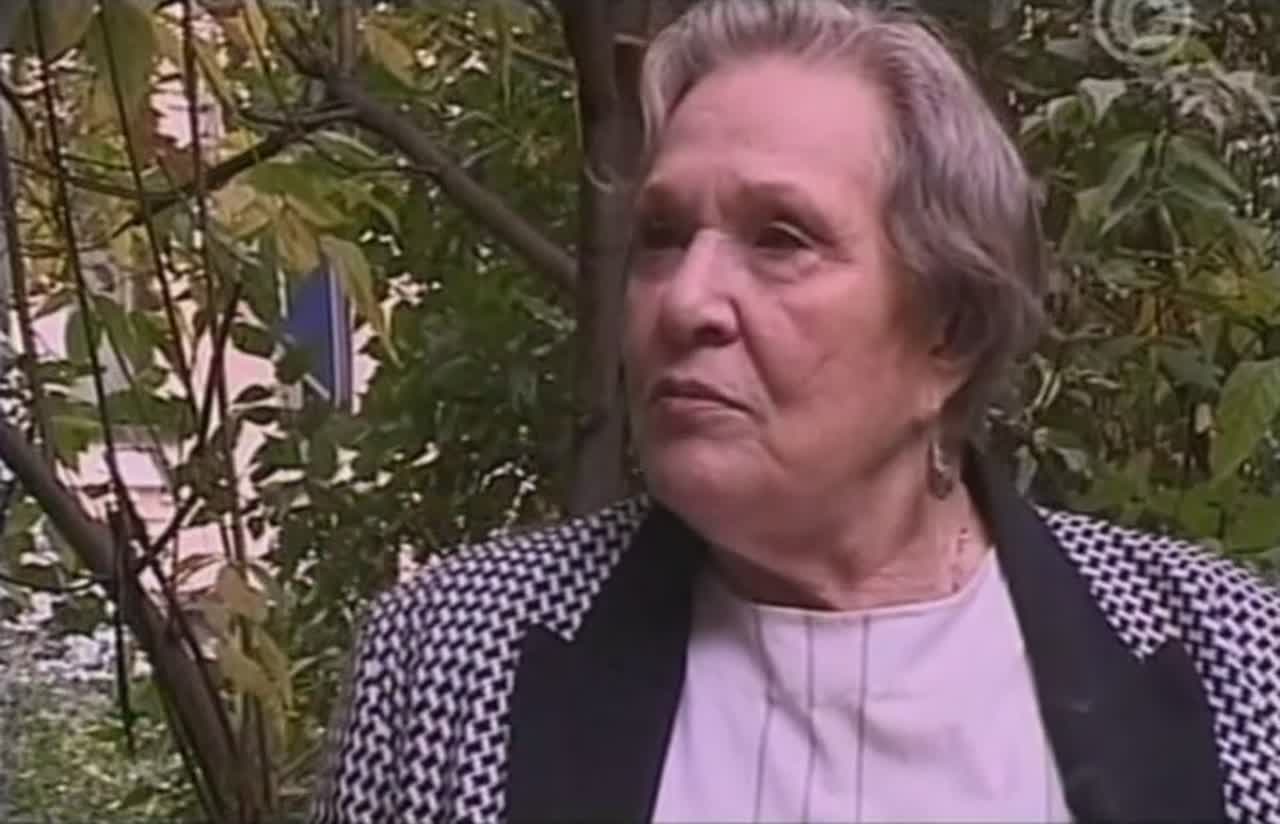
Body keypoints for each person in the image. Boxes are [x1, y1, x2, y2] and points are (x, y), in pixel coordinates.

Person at [311, 1, 1280, 821]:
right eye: (662, 235)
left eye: (780, 238)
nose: (685, 301)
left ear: (948, 331)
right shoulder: (450, 658)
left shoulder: (1230, 663)